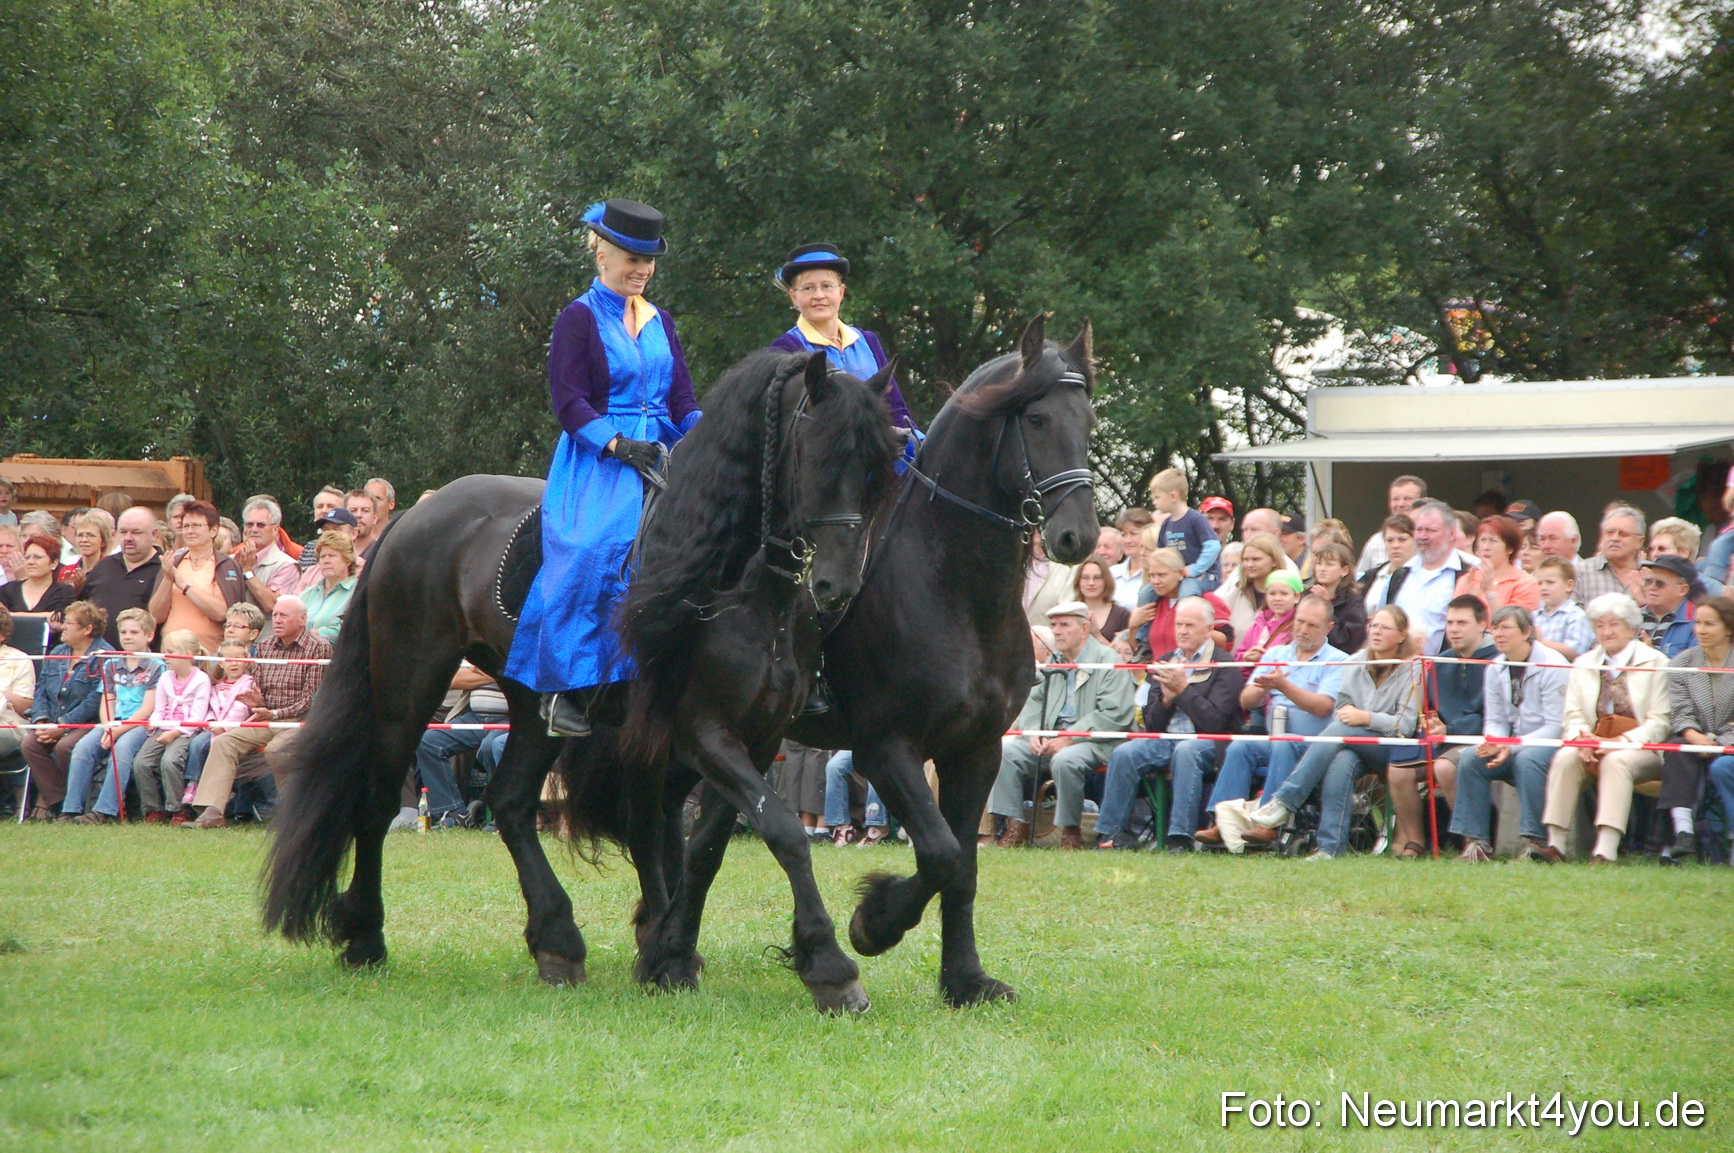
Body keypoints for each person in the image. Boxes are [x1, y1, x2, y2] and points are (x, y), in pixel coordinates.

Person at [505, 200, 701, 737]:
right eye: (632, 258)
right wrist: (617, 444)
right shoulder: (578, 317)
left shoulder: (661, 321)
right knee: (592, 549)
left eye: (650, 261)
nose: (642, 269)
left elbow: (681, 398)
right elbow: (568, 401)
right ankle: (561, 689)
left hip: (662, 449)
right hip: (600, 457)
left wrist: (708, 433)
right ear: (603, 254)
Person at [1217, 604, 1422, 859]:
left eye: (1385, 628)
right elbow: (1343, 705)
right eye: (1373, 626)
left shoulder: (1412, 669)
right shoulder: (1356, 661)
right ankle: (1329, 848)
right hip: (1352, 742)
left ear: (1402, 635)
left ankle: (1284, 801)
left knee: (1338, 730)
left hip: (1391, 746)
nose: (1376, 632)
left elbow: (1404, 726)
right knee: (1341, 761)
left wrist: (1365, 717)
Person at [1196, 594, 1346, 851]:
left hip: (1314, 747)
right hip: (1275, 738)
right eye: (1299, 622)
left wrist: (1282, 685)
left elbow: (1323, 707)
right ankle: (1222, 822)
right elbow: (1245, 700)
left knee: (1283, 744)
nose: (1303, 629)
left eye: (1312, 625)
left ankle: (1268, 824)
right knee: (1241, 747)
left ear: (1328, 628)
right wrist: (1262, 689)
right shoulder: (1276, 653)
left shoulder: (1338, 660)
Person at [1093, 597, 1243, 851]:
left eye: (1190, 626)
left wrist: (1183, 691)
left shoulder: (1225, 665)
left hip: (1208, 743)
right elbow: (1151, 725)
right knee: (1125, 753)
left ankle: (1180, 837)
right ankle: (1111, 833)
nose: (1182, 631)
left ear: (1208, 630)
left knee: (1187, 751)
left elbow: (1215, 723)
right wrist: (1165, 700)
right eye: (1178, 625)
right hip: (1165, 739)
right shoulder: (1164, 661)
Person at [984, 602, 1135, 850]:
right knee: (1006, 753)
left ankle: (1070, 831)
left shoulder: (1109, 661)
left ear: (1085, 627)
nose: (1056, 631)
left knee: (1065, 760)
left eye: (1065, 625)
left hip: (1096, 741)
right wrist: (1035, 733)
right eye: (1054, 625)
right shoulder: (1053, 661)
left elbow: (1114, 713)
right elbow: (1032, 702)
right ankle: (1015, 827)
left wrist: (1070, 737)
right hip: (1051, 738)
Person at [1534, 593, 1670, 863]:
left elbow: (1660, 722)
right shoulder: (1583, 664)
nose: (1606, 632)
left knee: (1616, 762)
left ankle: (1605, 850)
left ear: (1632, 627)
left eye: (1614, 624)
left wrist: (1616, 743)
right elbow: (1573, 715)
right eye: (1600, 625)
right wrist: (1581, 740)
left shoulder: (1657, 663)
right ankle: (1556, 845)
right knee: (1565, 757)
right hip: (1592, 743)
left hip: (1641, 748)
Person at [187, 595, 330, 828]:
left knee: (277, 749)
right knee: (224, 743)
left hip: (302, 720)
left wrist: (272, 714)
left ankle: (295, 813)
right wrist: (256, 702)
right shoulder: (265, 645)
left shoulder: (319, 648)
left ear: (303, 619)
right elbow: (260, 686)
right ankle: (212, 813)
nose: (277, 620)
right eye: (274, 615)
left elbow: (311, 700)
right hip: (266, 716)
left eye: (284, 615)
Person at [767, 242, 920, 447]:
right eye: (808, 288)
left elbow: (895, 408)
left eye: (827, 286)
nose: (819, 295)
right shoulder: (785, 348)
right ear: (794, 296)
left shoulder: (868, 341)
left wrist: (916, 441)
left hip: (881, 451)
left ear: (841, 292)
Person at [1449, 606, 1571, 861]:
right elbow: (1495, 719)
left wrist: (1510, 747)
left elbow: (1555, 726)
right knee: (1471, 758)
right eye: (1495, 628)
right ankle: (1477, 844)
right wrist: (1495, 742)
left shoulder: (1553, 664)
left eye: (1506, 628)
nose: (1498, 634)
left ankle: (1537, 844)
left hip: (1551, 744)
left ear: (1527, 632)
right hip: (1512, 744)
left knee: (1528, 760)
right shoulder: (1495, 667)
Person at [1386, 595, 1496, 858]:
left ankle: (1475, 843)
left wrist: (1452, 729)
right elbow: (1430, 707)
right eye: (1449, 622)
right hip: (1443, 740)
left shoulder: (1499, 660)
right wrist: (1433, 725)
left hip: (1482, 739)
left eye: (1462, 622)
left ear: (1482, 624)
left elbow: (1493, 715)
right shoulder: (1440, 662)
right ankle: (1415, 841)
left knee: (1446, 767)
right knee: (1399, 770)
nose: (1454, 629)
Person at [59, 607, 160, 823]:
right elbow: (107, 700)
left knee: (121, 749)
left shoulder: (157, 665)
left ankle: (106, 810)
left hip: (141, 725)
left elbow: (147, 708)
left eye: (134, 632)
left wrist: (118, 731)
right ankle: (71, 809)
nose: (127, 637)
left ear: (149, 636)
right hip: (113, 723)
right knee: (83, 748)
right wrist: (108, 726)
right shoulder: (112, 664)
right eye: (124, 632)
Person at [1654, 595, 1734, 863]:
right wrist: (1692, 734)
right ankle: (1683, 832)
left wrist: (1717, 741)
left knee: (1720, 764)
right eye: (1697, 623)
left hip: (1729, 744)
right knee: (1678, 751)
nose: (1701, 630)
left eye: (1709, 624)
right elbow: (1680, 709)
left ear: (1729, 628)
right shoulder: (1681, 662)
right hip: (1696, 738)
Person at [129, 629, 212, 823]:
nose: (166, 655)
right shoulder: (166, 677)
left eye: (171, 651)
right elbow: (160, 708)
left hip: (185, 731)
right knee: (141, 762)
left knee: (170, 761)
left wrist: (175, 733)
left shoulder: (201, 680)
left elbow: (196, 717)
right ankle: (152, 809)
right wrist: (154, 724)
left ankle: (178, 809)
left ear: (187, 654)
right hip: (163, 728)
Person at [412, 665, 507, 826]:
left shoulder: (524, 646)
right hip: (476, 718)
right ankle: (454, 812)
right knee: (429, 741)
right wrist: (500, 673)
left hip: (509, 720)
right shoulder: (478, 651)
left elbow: (525, 676)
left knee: (491, 746)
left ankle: (504, 812)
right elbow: (454, 678)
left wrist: (482, 671)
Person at [149, 500, 245, 654]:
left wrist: (185, 586)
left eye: (196, 526)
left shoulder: (224, 565)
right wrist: (168, 579)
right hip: (171, 654)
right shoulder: (174, 562)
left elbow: (221, 612)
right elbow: (155, 616)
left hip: (208, 656)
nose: (189, 531)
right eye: (186, 526)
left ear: (213, 531)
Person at [178, 641, 257, 823]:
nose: (234, 663)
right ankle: (195, 784)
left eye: (239, 658)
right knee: (198, 743)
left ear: (247, 661)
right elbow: (212, 708)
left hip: (234, 729)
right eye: (229, 659)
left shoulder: (249, 684)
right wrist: (211, 721)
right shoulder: (217, 686)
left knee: (205, 744)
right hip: (215, 727)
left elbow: (241, 710)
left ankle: (199, 785)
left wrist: (224, 727)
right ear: (220, 663)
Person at [1393, 499, 1485, 649]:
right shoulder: (1400, 575)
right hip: (1399, 669)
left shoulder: (1469, 574)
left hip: (1442, 668)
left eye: (1430, 530)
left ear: (1451, 534)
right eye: (1419, 530)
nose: (1423, 536)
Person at [79, 507, 162, 647]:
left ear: (154, 534)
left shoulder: (164, 568)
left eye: (136, 532)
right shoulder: (103, 565)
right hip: (99, 657)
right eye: (123, 532)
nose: (128, 538)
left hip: (142, 661)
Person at [1148, 468, 1220, 597]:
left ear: (1173, 496)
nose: (1154, 502)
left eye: (1157, 497)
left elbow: (1213, 547)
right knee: (1145, 594)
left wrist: (1195, 569)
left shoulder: (1196, 519)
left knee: (1187, 592)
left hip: (1204, 575)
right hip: (1177, 576)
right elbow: (1159, 553)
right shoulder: (1166, 524)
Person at [0, 536, 76, 655]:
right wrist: (45, 618)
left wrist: (11, 616)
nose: (30, 561)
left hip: (50, 655)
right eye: (27, 557)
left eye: (37, 557)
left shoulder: (64, 591)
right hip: (10, 657)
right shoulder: (8, 589)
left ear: (54, 563)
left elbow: (58, 622)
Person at [232, 497, 302, 613]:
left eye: (261, 525)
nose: (254, 529)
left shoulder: (286, 565)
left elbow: (273, 605)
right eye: (249, 524)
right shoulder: (232, 559)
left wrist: (248, 572)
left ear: (275, 530)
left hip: (266, 630)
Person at [1116, 544, 1184, 662]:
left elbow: (1224, 639)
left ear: (1180, 573)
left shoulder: (1203, 599)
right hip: (1155, 675)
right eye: (1152, 575)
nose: (1155, 581)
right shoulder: (1152, 603)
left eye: (1162, 575)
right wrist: (1133, 625)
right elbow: (1135, 647)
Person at [1215, 533, 1285, 643]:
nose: (1249, 564)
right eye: (1246, 560)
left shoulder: (1287, 596)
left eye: (1256, 559)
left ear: (1274, 561)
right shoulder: (1233, 595)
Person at [0, 607, 36, 814]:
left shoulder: (19, 660)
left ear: (2, 635)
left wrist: (4, 694)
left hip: (10, 724)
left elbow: (27, 706)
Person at [1574, 506, 1645, 603]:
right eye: (1610, 533)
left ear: (1639, 541)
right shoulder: (1581, 572)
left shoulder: (1652, 574)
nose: (1615, 538)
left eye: (1623, 534)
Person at [1357, 475, 1428, 572]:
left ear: (1423, 502)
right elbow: (1360, 579)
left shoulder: (1433, 538)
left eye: (1408, 499)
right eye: (1395, 499)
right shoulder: (1375, 542)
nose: (1400, 504)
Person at [1532, 556, 1594, 663]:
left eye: (1550, 582)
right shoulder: (1533, 616)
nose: (1543, 587)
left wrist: (1541, 642)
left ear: (1569, 585)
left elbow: (1575, 651)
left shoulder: (1577, 616)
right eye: (1540, 583)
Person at [1308, 541, 1366, 653]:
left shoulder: (1354, 602)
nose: (1322, 569)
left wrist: (1327, 607)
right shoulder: (1306, 596)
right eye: (1319, 563)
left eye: (1329, 564)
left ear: (1344, 570)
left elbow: (1348, 643)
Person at [1636, 555, 1698, 658]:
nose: (1652, 587)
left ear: (1682, 590)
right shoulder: (1632, 617)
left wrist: (1653, 658)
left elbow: (1692, 670)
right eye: (1648, 581)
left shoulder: (1698, 621)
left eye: (1660, 584)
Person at [301, 531, 358, 641]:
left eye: (332, 556)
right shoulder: (306, 594)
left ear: (347, 560)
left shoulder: (357, 593)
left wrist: (314, 634)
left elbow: (351, 630)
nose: (326, 561)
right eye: (322, 557)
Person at [1235, 569, 1300, 662]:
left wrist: (1261, 657)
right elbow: (1238, 654)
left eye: (1284, 594)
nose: (1277, 598)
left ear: (1296, 597)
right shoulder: (1259, 622)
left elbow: (1294, 657)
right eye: (1272, 593)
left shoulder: (1299, 626)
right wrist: (1245, 656)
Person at [1476, 515, 1539, 611]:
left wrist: (1489, 591)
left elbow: (1509, 622)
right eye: (1483, 540)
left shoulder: (1526, 583)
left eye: (1493, 541)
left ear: (1510, 548)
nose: (1486, 547)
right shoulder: (1467, 579)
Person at [1360, 514, 1415, 612]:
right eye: (1390, 540)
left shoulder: (1422, 576)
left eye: (1402, 540)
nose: (1395, 545)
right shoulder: (1370, 577)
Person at [1022, 529, 1077, 627]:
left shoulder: (1066, 571)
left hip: (1047, 638)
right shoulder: (1017, 565)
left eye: (1041, 526)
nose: (1037, 529)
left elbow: (1065, 610)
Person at [1072, 559, 1130, 643]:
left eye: (1097, 578)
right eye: (1085, 578)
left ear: (1106, 581)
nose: (1091, 583)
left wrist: (1098, 636)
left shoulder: (1121, 615)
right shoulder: (1069, 611)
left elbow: (1123, 654)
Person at [58, 512, 111, 590]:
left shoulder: (110, 570)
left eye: (91, 535)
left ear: (102, 541)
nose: (84, 540)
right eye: (80, 535)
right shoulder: (67, 571)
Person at [298, 486, 347, 571]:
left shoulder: (349, 548)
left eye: (330, 506)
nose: (324, 510)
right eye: (320, 506)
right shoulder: (309, 548)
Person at [1110, 512, 1151, 611]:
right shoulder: (1111, 572)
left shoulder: (1153, 575)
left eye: (1134, 534)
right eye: (1124, 535)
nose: (1128, 540)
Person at [345, 489, 382, 558]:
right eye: (353, 510)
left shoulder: (381, 552)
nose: (359, 515)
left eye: (365, 510)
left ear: (374, 518)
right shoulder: (334, 553)